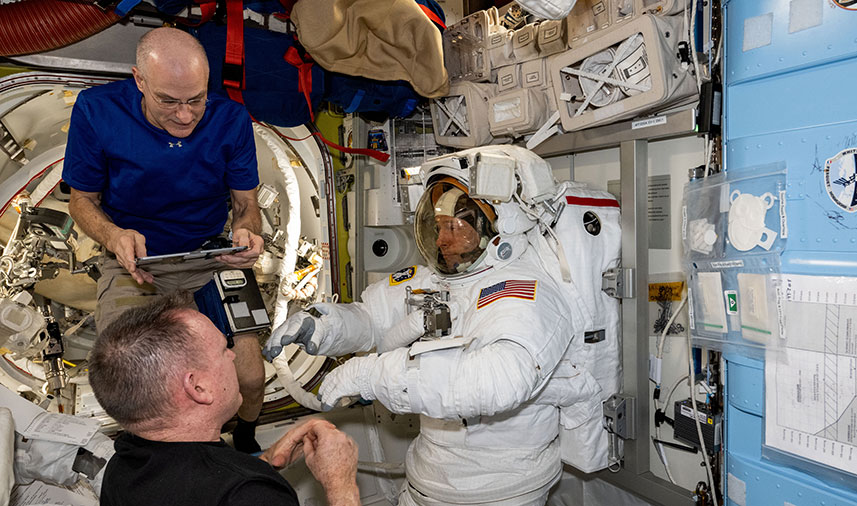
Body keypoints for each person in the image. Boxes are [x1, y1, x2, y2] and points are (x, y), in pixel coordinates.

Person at [263, 146, 622, 505]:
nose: (441, 240)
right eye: (437, 227)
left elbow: (500, 378)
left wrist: (374, 376)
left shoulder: (525, 291)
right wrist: (323, 327)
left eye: (454, 227)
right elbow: (371, 318)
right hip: (427, 480)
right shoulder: (435, 279)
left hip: (498, 492)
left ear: (499, 224)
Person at [62, 27, 266, 452]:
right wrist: (114, 235)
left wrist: (248, 233)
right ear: (139, 80)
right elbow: (81, 201)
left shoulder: (231, 120)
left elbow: (246, 202)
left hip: (212, 256)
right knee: (133, 378)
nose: (186, 116)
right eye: (168, 101)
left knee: (249, 377)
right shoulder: (97, 111)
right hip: (136, 262)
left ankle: (244, 439)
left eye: (196, 99)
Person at [88, 292, 362, 506]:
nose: (232, 355)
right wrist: (341, 485)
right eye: (223, 349)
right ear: (199, 388)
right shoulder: (250, 496)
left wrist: (262, 463)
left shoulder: (120, 470)